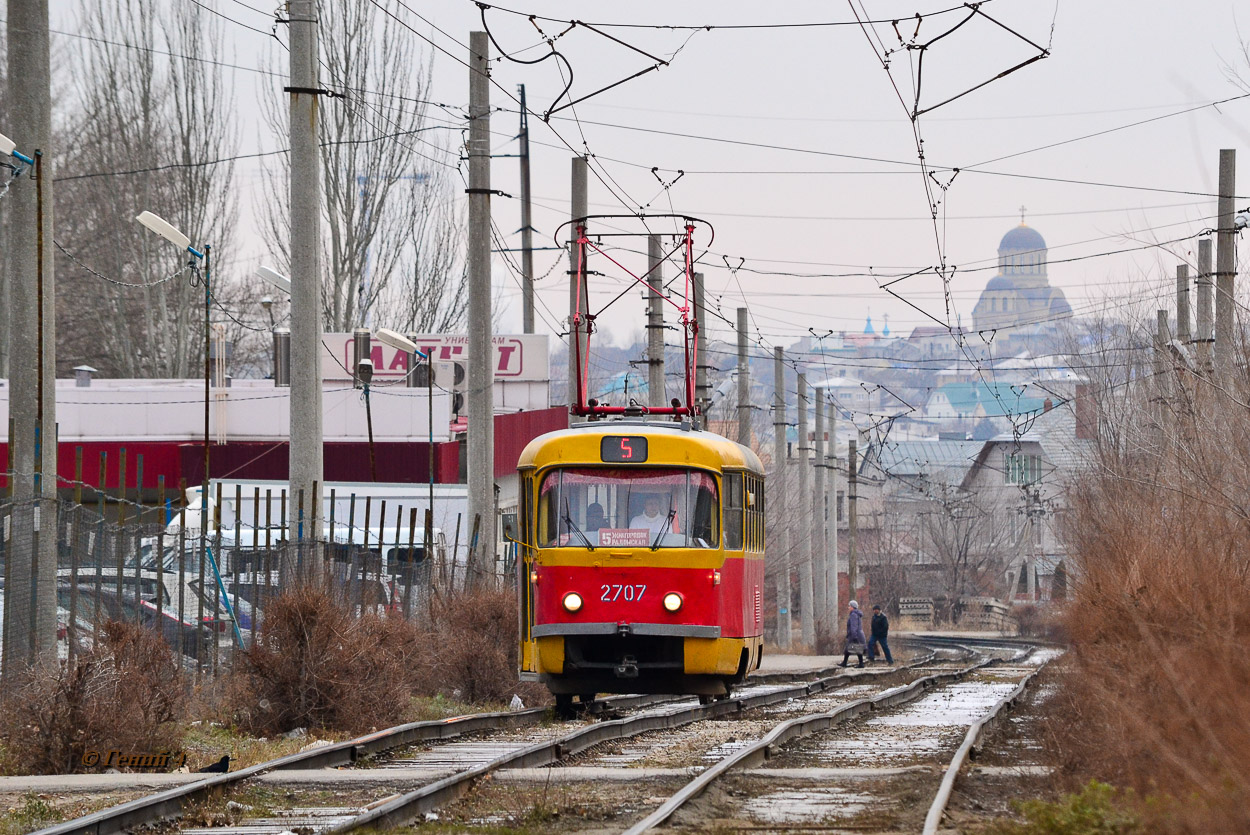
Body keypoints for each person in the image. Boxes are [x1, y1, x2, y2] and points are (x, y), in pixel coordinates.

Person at [839, 600, 866, 668]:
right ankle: (846, 662)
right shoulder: (856, 614)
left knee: (852, 648)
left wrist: (854, 636)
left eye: (849, 606)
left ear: (852, 607)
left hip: (855, 635)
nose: (848, 607)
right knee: (851, 648)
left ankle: (859, 663)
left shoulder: (853, 615)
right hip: (857, 634)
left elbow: (854, 626)